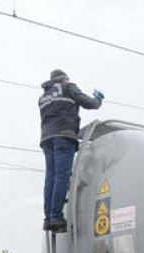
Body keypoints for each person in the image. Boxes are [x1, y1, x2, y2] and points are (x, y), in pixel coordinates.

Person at [39, 69, 104, 233]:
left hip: (47, 139)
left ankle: (48, 218)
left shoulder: (43, 97)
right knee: (62, 176)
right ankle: (56, 217)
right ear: (64, 79)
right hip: (63, 136)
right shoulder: (68, 87)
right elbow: (90, 104)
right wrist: (98, 99)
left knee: (50, 178)